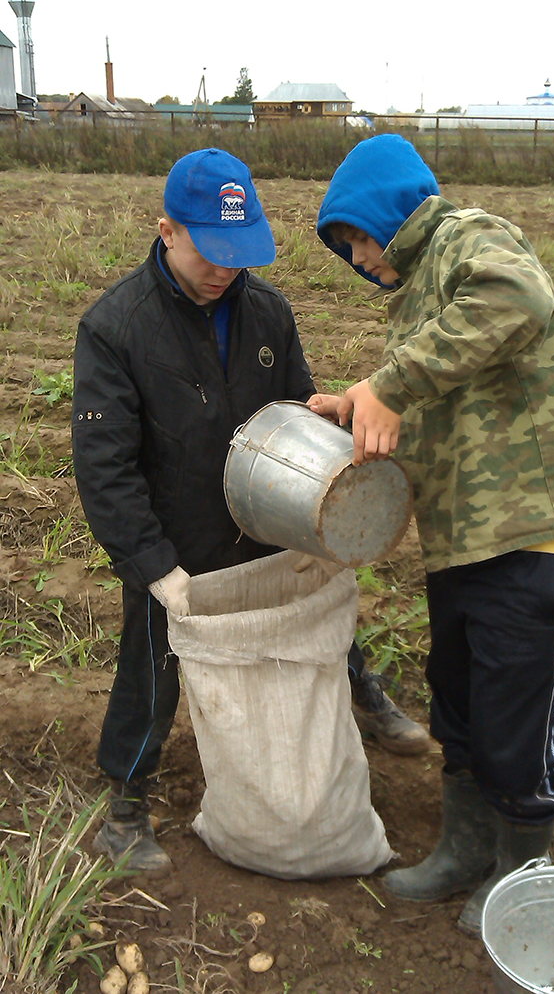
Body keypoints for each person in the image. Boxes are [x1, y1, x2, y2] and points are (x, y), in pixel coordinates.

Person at [72, 148, 428, 873]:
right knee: (152, 659)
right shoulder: (116, 328)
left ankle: (364, 694)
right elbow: (104, 466)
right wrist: (150, 563)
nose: (227, 267)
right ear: (166, 230)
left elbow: (297, 411)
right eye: (211, 249)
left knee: (310, 614)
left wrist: (330, 489)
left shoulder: (268, 311)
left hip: (268, 521)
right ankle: (127, 801)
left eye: (241, 251)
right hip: (179, 535)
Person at [309, 133, 554, 936]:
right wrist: (358, 404)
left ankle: (521, 868)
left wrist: (390, 382)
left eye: (358, 239)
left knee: (518, 719)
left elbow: (515, 300)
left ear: (387, 212)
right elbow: (434, 388)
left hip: (537, 531)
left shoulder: (468, 238)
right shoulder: (415, 293)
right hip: (468, 539)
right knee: (461, 702)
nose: (360, 260)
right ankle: (464, 845)